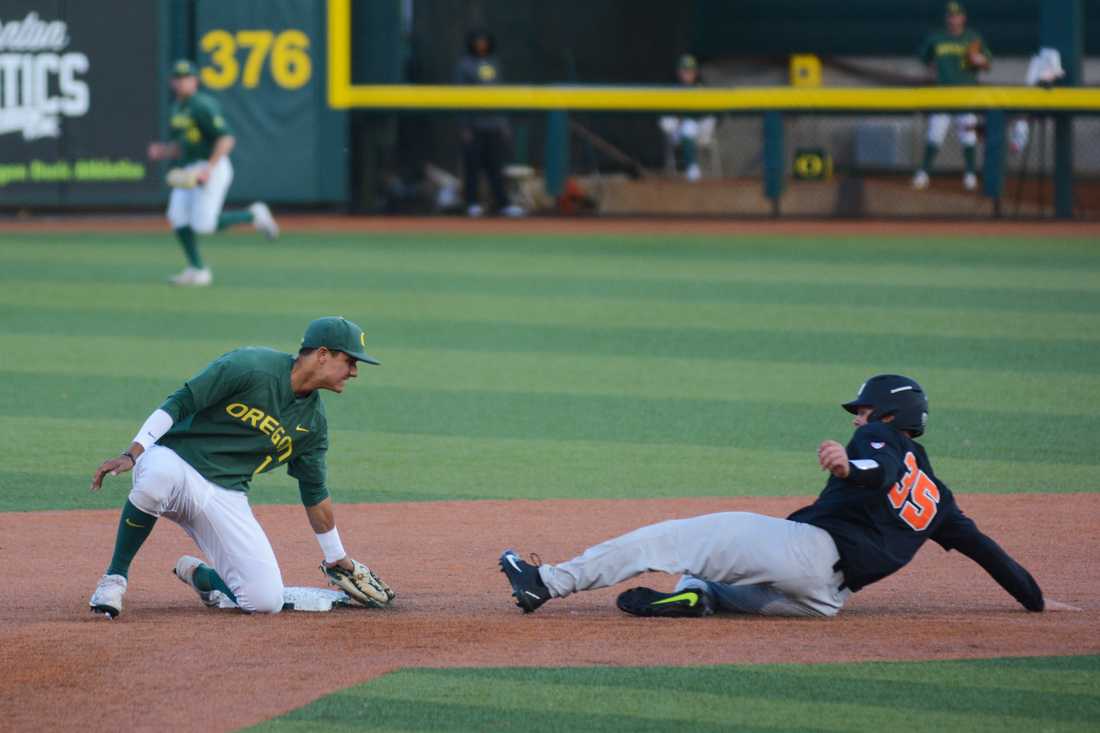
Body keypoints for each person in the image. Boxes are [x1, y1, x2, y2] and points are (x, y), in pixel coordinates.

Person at [501, 374, 1078, 618]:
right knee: (724, 583)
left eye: (866, 410)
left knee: (672, 537)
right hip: (825, 599)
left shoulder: (877, 440)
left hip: (806, 551)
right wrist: (1034, 599)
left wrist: (848, 465)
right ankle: (702, 598)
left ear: (891, 416)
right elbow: (984, 549)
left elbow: (874, 467)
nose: (860, 418)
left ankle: (547, 582)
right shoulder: (940, 499)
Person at [87, 317, 392, 617]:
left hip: (225, 496)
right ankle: (114, 579)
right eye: (350, 361)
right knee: (157, 479)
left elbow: (314, 493)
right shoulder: (251, 366)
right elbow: (181, 401)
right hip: (174, 462)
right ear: (323, 355)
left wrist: (336, 557)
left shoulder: (313, 425)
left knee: (265, 601)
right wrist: (133, 453)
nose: (354, 372)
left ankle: (205, 579)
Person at [147, 59, 280, 287]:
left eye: (186, 78)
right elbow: (183, 145)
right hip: (188, 168)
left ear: (195, 81)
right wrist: (165, 151)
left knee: (204, 225)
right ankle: (197, 270)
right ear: (172, 82)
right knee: (177, 216)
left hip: (211, 166)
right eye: (178, 79)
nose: (182, 83)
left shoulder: (202, 105)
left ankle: (253, 215)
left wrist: (209, 168)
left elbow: (226, 138)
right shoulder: (177, 108)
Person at [912, 2, 991, 192]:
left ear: (963, 17)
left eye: (957, 15)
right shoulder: (937, 38)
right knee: (935, 134)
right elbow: (923, 57)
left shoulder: (972, 38)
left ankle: (970, 174)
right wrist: (932, 68)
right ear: (947, 18)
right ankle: (924, 173)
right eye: (950, 15)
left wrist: (979, 60)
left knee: (969, 136)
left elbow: (987, 63)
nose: (954, 19)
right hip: (943, 94)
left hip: (967, 95)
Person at [454, 29, 524, 218]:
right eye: (478, 41)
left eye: (484, 41)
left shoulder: (494, 64)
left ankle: (502, 204)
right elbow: (460, 98)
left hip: (493, 125)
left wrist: (503, 123)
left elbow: (500, 95)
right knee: (472, 167)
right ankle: (472, 203)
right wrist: (465, 126)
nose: (481, 44)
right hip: (474, 125)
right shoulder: (465, 65)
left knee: (496, 167)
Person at [658, 54, 717, 182]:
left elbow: (709, 113)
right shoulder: (672, 89)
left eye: (690, 71)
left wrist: (688, 116)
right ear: (679, 72)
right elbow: (666, 116)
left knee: (690, 124)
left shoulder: (702, 89)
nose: (687, 74)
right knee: (683, 125)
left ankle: (691, 169)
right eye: (685, 71)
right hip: (679, 133)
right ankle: (692, 169)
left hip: (701, 132)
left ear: (695, 72)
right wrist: (681, 118)